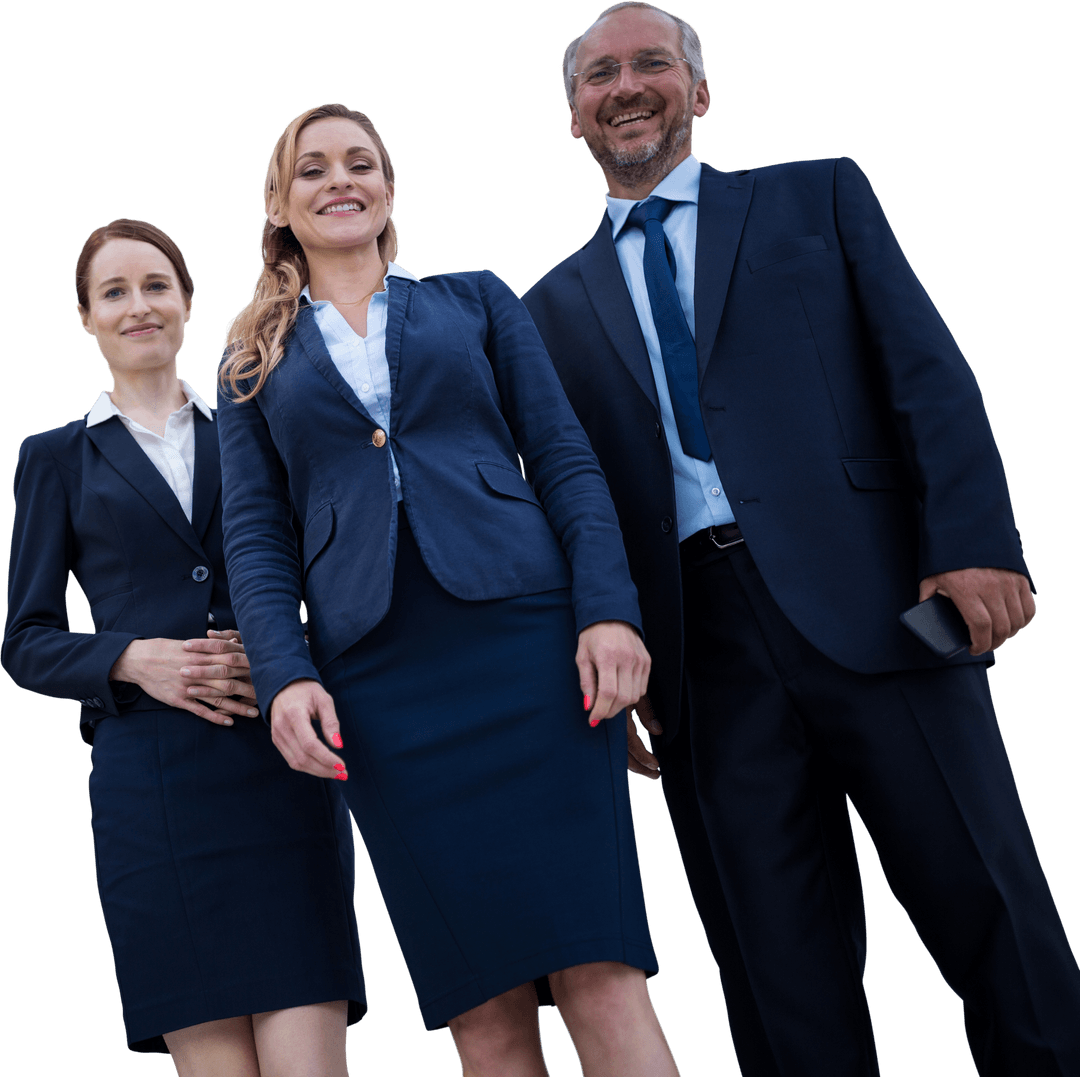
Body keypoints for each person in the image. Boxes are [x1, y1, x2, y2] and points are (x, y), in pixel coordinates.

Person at [520, 4, 1080, 1075]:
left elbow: (926, 368)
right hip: (698, 656)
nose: (625, 86)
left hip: (882, 605)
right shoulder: (546, 307)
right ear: (575, 117)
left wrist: (975, 536)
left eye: (651, 63)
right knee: (778, 968)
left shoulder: (816, 196)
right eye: (599, 75)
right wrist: (608, 652)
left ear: (699, 90)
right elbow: (567, 499)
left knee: (992, 905)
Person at [215, 102, 680, 1077]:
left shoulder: (476, 300)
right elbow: (254, 540)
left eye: (360, 162)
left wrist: (608, 609)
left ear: (389, 189)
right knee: (484, 1009)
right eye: (312, 168)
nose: (340, 180)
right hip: (381, 692)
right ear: (279, 205)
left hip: (530, 653)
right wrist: (285, 675)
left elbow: (564, 457)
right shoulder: (251, 363)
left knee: (601, 974)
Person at [2, 219, 365, 1076]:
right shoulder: (55, 458)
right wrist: (131, 658)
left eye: (156, 285)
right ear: (85, 317)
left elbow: (330, 566)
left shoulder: (256, 420)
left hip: (280, 775)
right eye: (114, 292)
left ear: (189, 302)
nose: (139, 306)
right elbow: (25, 640)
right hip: (153, 798)